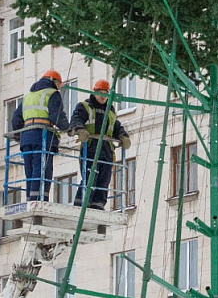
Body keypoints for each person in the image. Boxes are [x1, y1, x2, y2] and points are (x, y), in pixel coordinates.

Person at [70, 79, 131, 209]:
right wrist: (80, 129)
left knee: (104, 179)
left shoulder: (111, 110)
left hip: (106, 149)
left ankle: (98, 206)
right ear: (94, 93)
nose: (103, 97)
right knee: (90, 177)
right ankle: (81, 205)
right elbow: (76, 119)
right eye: (101, 93)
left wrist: (123, 136)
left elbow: (116, 126)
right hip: (91, 147)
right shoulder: (85, 106)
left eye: (105, 93)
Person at [12, 69, 70, 201]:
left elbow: (16, 119)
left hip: (27, 137)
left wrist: (18, 136)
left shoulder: (29, 96)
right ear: (54, 81)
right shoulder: (52, 93)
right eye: (59, 85)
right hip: (42, 136)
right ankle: (39, 198)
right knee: (42, 168)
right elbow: (56, 115)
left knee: (30, 170)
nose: (59, 88)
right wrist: (68, 128)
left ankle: (30, 197)